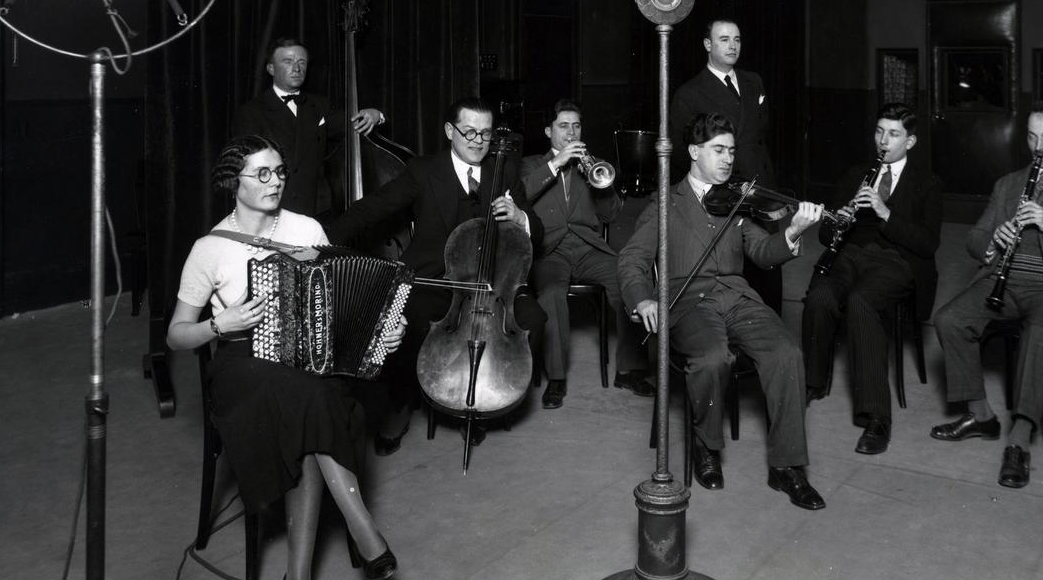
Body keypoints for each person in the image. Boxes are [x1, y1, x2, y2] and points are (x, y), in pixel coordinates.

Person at [166, 135, 405, 580]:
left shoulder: (306, 229)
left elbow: (335, 306)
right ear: (235, 182)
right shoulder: (209, 249)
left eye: (280, 172)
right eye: (263, 174)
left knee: (311, 401)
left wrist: (383, 327)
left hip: (303, 358)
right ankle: (364, 534)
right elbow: (176, 334)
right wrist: (220, 324)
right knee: (313, 402)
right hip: (242, 363)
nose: (275, 182)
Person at [617, 112, 827, 510]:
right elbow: (632, 258)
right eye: (718, 150)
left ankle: (787, 467)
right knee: (713, 357)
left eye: (731, 150)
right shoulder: (666, 201)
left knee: (787, 353)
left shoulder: (736, 201)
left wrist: (794, 231)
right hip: (688, 301)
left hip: (737, 296)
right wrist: (643, 298)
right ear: (695, 152)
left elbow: (764, 253)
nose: (728, 159)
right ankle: (706, 448)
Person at [327, 96, 545, 450]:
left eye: (485, 134)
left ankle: (478, 401)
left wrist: (519, 216)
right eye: (469, 132)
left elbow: (537, 229)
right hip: (433, 279)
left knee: (533, 319)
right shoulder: (424, 170)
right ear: (449, 131)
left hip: (492, 283)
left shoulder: (503, 170)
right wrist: (323, 239)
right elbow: (372, 209)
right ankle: (399, 408)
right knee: (404, 323)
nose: (478, 141)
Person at [930, 100, 1043, 489]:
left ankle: (1019, 441)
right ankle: (981, 416)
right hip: (1005, 281)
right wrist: (992, 243)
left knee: (1038, 336)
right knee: (949, 319)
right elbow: (974, 238)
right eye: (1032, 136)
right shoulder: (1009, 184)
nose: (1038, 146)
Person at [802, 103, 943, 455]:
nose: (883, 140)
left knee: (861, 303)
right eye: (879, 131)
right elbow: (824, 236)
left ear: (910, 142)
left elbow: (928, 244)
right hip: (850, 254)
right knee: (819, 295)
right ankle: (811, 382)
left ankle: (877, 417)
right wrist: (839, 220)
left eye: (893, 134)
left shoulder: (928, 183)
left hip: (897, 260)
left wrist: (884, 212)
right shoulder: (856, 174)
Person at [520, 100, 651, 408]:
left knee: (627, 279)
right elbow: (520, 195)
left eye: (576, 126)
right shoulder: (531, 165)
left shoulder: (594, 164)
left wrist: (600, 183)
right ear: (548, 130)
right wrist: (556, 164)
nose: (571, 132)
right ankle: (556, 378)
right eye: (563, 126)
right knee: (551, 292)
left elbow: (610, 215)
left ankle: (629, 370)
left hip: (588, 247)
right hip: (549, 250)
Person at [232, 37, 385, 217]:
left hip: (317, 209)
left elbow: (357, 124)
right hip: (274, 208)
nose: (296, 68)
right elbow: (248, 170)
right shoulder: (251, 112)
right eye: (287, 61)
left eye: (301, 62)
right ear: (271, 69)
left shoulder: (321, 106)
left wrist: (376, 115)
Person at [670, 18, 774, 187]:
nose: (733, 46)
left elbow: (762, 134)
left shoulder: (754, 81)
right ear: (708, 45)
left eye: (737, 40)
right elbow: (680, 150)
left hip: (761, 183)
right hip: (722, 189)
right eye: (724, 40)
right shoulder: (689, 93)